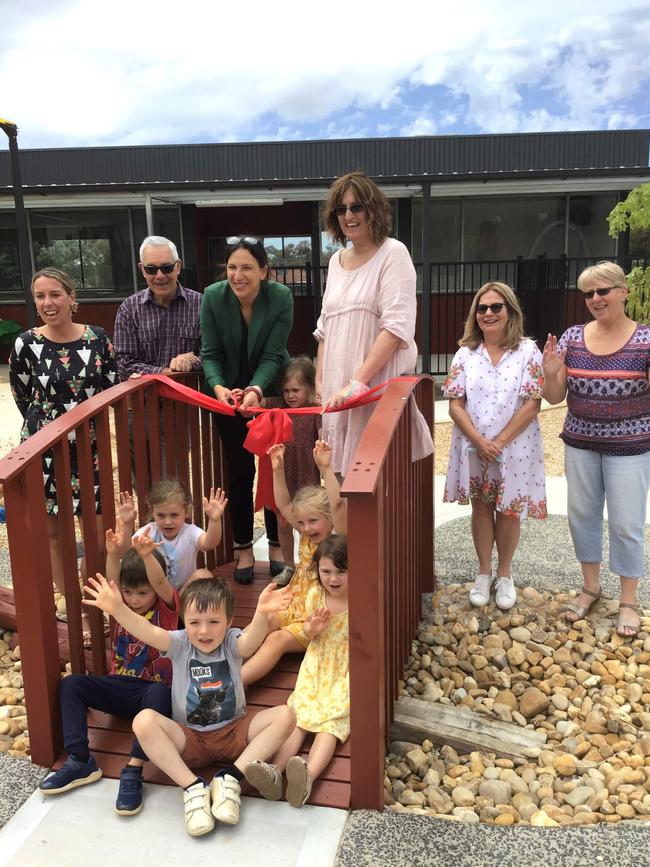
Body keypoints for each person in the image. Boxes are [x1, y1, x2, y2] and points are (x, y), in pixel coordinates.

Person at [82, 574, 296, 837]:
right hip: (190, 738)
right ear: (185, 622)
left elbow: (250, 643)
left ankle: (229, 779)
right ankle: (193, 788)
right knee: (143, 721)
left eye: (214, 622)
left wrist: (261, 613)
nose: (204, 631)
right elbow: (147, 631)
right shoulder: (180, 643)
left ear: (228, 622)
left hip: (233, 731)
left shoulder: (230, 641)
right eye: (195, 622)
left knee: (286, 715)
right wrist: (118, 609)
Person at [39, 522, 179, 816]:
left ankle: (134, 768)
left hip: (154, 699)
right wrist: (113, 553)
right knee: (72, 684)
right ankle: (79, 759)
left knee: (159, 691)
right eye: (129, 593)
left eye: (142, 593)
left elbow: (161, 583)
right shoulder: (122, 607)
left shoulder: (166, 609)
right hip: (121, 689)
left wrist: (147, 557)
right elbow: (112, 584)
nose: (133, 600)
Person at [542, 262, 650, 638]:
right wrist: (552, 372)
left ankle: (628, 601)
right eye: (588, 293)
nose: (595, 299)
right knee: (582, 515)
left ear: (624, 292)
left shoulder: (645, 341)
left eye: (603, 291)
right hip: (581, 443)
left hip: (630, 447)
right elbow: (554, 397)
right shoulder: (572, 338)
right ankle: (591, 587)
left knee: (626, 522)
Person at [315, 171, 432, 477]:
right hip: (338, 398)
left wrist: (358, 383)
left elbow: (395, 328)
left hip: (375, 396)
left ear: (374, 209)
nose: (348, 216)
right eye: (341, 209)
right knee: (340, 496)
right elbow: (325, 329)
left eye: (357, 207)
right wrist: (321, 384)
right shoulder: (335, 262)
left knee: (376, 494)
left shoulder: (393, 253)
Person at [9, 267, 118, 595]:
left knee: (97, 534)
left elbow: (110, 389)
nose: (48, 302)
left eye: (55, 294)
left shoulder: (98, 339)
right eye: (40, 296)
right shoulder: (26, 343)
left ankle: (91, 598)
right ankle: (67, 600)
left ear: (72, 298)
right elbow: (22, 395)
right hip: (44, 452)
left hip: (90, 449)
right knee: (54, 534)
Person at [443, 281, 546, 610]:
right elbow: (455, 404)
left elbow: (533, 403)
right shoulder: (465, 354)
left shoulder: (528, 351)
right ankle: (483, 572)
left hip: (514, 447)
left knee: (510, 510)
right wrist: (479, 440)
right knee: (482, 508)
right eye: (482, 308)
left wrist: (498, 442)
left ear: (510, 311)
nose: (488, 313)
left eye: (496, 307)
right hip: (475, 446)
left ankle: (505, 574)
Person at [200, 235, 293, 583]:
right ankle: (242, 545)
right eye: (232, 268)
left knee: (273, 466)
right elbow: (210, 353)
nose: (238, 275)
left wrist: (255, 389)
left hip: (266, 394)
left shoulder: (280, 297)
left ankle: (275, 544)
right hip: (226, 396)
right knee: (239, 472)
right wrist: (219, 387)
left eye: (247, 268)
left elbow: (274, 353)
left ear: (264, 271)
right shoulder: (213, 296)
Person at [245, 534, 349, 808]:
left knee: (331, 723)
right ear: (317, 571)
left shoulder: (361, 598)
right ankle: (275, 772)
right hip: (316, 664)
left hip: (346, 671)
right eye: (326, 571)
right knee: (298, 714)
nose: (333, 579)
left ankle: (308, 777)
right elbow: (306, 633)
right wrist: (310, 630)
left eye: (341, 572)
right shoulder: (316, 594)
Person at [241, 440, 346, 686]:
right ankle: (223, 664)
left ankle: (234, 685)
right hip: (293, 604)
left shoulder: (336, 539)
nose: (306, 528)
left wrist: (326, 469)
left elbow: (338, 505)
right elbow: (284, 505)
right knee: (263, 622)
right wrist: (277, 469)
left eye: (313, 521)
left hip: (315, 618)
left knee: (275, 641)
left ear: (329, 519)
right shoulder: (308, 536)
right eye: (302, 523)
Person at [262, 356, 322, 571]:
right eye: (286, 391)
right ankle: (289, 566)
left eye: (296, 390)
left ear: (310, 387)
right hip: (283, 475)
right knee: (283, 522)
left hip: (306, 474)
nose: (290, 396)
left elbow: (324, 435)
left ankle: (310, 566)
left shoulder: (315, 411)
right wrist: (248, 397)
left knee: (308, 522)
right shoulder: (279, 405)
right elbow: (261, 404)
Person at [113, 236, 202, 380]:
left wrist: (192, 361)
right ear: (142, 269)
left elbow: (214, 356)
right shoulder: (129, 309)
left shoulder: (201, 304)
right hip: (147, 400)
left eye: (167, 268)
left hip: (191, 399)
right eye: (151, 269)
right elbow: (124, 364)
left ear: (178, 266)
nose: (160, 276)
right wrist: (167, 372)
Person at [119, 479, 227, 592]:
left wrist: (214, 520)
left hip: (184, 593)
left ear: (187, 512)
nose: (168, 522)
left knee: (203, 575)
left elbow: (209, 543)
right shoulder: (149, 531)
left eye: (174, 515)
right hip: (154, 594)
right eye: (161, 515)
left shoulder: (190, 532)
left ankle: (180, 606)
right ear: (152, 512)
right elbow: (125, 553)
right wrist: (127, 525)